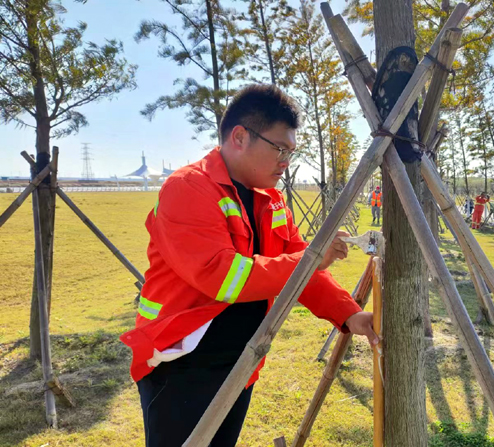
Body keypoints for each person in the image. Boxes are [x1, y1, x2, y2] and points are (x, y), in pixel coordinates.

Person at [120, 84, 378, 447]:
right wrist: (310, 259)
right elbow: (222, 275)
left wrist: (350, 315)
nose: (286, 162)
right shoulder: (188, 188)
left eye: (291, 151)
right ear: (240, 137)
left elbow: (302, 269)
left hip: (240, 361)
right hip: (180, 363)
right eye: (280, 149)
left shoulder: (270, 199)